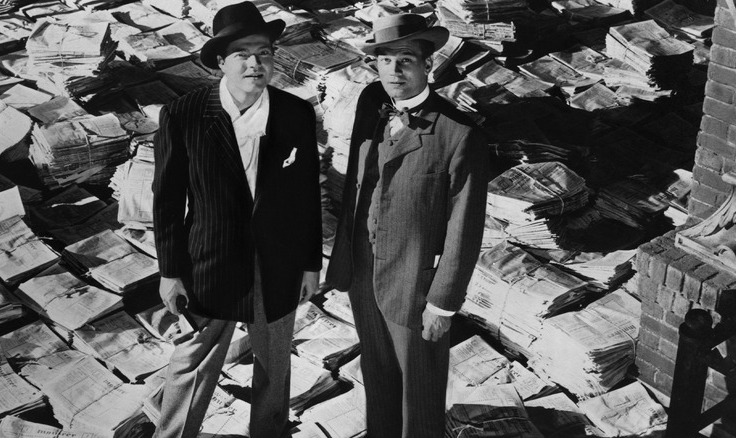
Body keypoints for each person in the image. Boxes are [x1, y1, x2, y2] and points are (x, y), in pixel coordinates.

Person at [152, 3, 322, 437]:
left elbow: (305, 195)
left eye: (264, 53)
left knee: (274, 363)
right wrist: (171, 271)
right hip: (210, 261)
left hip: (278, 262)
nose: (255, 63)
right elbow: (167, 201)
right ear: (221, 63)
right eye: (243, 54)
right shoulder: (183, 115)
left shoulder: (294, 114)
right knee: (192, 363)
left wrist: (309, 263)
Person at [326, 14, 489, 437]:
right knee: (378, 375)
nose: (394, 72)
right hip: (362, 271)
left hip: (414, 284)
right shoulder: (369, 103)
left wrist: (443, 303)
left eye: (405, 60)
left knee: (418, 388)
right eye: (384, 60)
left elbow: (465, 226)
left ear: (427, 65)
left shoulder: (458, 133)